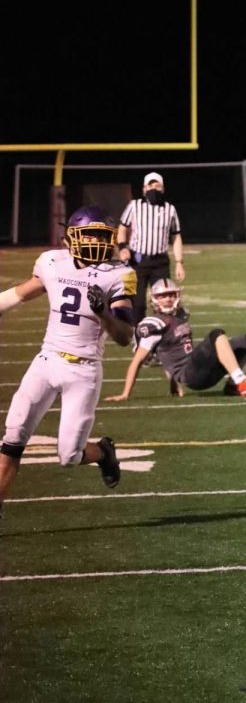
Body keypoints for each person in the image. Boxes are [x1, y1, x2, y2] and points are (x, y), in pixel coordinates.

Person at [0, 205, 137, 517]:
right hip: (46, 360)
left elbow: (125, 336)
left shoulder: (119, 274)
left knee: (69, 456)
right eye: (87, 233)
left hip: (84, 370)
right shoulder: (53, 261)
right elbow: (22, 293)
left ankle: (103, 452)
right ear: (70, 237)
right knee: (12, 436)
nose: (94, 241)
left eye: (100, 235)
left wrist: (103, 313)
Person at [104, 278, 246, 402]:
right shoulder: (153, 324)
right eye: (162, 296)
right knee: (217, 335)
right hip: (191, 374)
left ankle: (233, 386)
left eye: (171, 295)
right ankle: (242, 382)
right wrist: (125, 394)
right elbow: (137, 361)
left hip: (202, 369)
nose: (167, 299)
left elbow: (172, 352)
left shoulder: (181, 315)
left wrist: (173, 385)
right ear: (154, 299)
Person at [117, 172, 185, 325]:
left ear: (163, 188)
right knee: (138, 303)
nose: (154, 188)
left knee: (164, 302)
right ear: (144, 188)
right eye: (150, 185)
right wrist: (122, 247)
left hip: (160, 261)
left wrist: (179, 262)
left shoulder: (170, 209)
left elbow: (176, 236)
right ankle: (139, 336)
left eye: (157, 185)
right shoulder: (134, 206)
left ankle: (163, 337)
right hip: (137, 260)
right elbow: (122, 228)